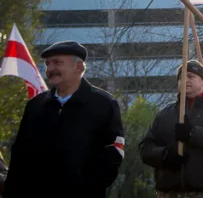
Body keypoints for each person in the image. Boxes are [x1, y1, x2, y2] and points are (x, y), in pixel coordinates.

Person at [5, 41, 125, 197]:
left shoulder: (103, 104)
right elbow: (19, 156)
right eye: (48, 64)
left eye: (57, 63)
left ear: (79, 67)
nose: (50, 69)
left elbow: (113, 154)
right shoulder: (36, 106)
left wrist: (87, 188)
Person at [140, 60, 203, 198]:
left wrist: (193, 133)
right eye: (181, 77)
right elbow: (146, 148)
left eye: (191, 76)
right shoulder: (165, 114)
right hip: (168, 192)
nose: (185, 80)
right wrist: (164, 155)